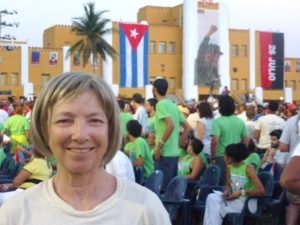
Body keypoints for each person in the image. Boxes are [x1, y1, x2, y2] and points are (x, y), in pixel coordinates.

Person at [0, 72, 171, 224]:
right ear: (45, 130)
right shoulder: (16, 213)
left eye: (94, 120)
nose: (80, 135)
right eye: (64, 120)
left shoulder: (146, 210)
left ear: (110, 129)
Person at [203, 143, 265, 225]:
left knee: (216, 207)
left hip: (246, 202)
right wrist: (227, 191)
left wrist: (241, 192)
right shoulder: (229, 167)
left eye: (225, 154)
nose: (223, 157)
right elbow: (228, 185)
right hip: (234, 199)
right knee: (211, 197)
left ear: (230, 158)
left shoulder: (248, 168)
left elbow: (261, 190)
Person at [152, 77, 191, 190]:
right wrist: (177, 143)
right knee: (171, 190)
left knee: (162, 190)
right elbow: (187, 128)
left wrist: (159, 147)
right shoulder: (173, 105)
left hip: (164, 154)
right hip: (174, 153)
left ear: (154, 89)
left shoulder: (161, 105)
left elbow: (170, 125)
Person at [210, 95, 249, 185]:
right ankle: (235, 196)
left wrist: (213, 156)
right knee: (236, 182)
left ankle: (225, 197)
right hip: (237, 157)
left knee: (222, 182)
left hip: (222, 156)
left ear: (220, 108)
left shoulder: (218, 122)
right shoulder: (240, 121)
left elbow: (214, 141)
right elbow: (246, 140)